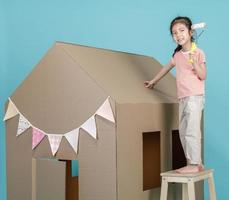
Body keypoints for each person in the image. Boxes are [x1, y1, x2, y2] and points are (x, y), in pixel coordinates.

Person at [144, 16, 206, 173]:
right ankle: (194, 163)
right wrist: (154, 81)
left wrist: (195, 62)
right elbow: (166, 68)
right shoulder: (177, 56)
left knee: (192, 130)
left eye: (182, 31)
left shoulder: (198, 53)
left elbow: (203, 75)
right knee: (183, 131)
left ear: (191, 32)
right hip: (183, 97)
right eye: (174, 33)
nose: (178, 35)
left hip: (194, 97)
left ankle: (194, 164)